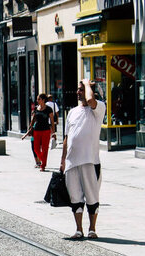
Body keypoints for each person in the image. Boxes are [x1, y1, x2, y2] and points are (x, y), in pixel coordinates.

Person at [60, 79, 106, 240]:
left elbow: (91, 101)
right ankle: (79, 229)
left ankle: (92, 229)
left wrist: (87, 84)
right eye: (78, 89)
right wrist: (63, 160)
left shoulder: (98, 108)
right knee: (75, 197)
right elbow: (67, 137)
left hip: (90, 161)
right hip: (72, 162)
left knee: (92, 196)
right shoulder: (72, 112)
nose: (78, 92)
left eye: (81, 89)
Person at [27, 93, 55, 172]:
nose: (37, 101)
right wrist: (30, 128)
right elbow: (33, 119)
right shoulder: (36, 108)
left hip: (46, 131)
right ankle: (43, 160)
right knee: (36, 148)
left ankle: (43, 165)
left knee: (45, 149)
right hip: (37, 130)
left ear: (43, 100)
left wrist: (53, 133)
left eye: (38, 99)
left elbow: (52, 122)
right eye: (37, 99)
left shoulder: (49, 109)